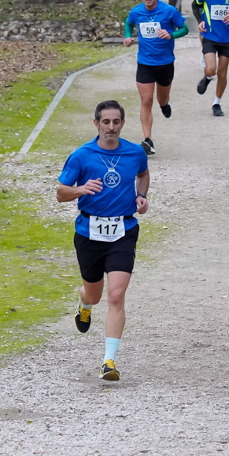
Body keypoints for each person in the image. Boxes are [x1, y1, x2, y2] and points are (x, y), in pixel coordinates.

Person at [56, 100, 150, 381]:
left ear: (123, 123)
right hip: (89, 233)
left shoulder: (135, 152)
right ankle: (84, 304)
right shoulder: (82, 156)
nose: (111, 127)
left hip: (123, 231)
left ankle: (109, 361)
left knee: (116, 295)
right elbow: (61, 193)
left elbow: (143, 174)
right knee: (94, 295)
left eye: (116, 122)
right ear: (96, 123)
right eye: (106, 122)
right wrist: (81, 189)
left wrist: (142, 196)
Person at [123, 0, 189, 154]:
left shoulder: (169, 11)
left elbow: (184, 29)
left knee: (161, 98)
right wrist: (128, 37)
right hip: (145, 63)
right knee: (146, 100)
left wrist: (171, 34)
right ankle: (148, 140)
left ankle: (164, 104)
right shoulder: (137, 12)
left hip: (165, 63)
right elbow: (128, 23)